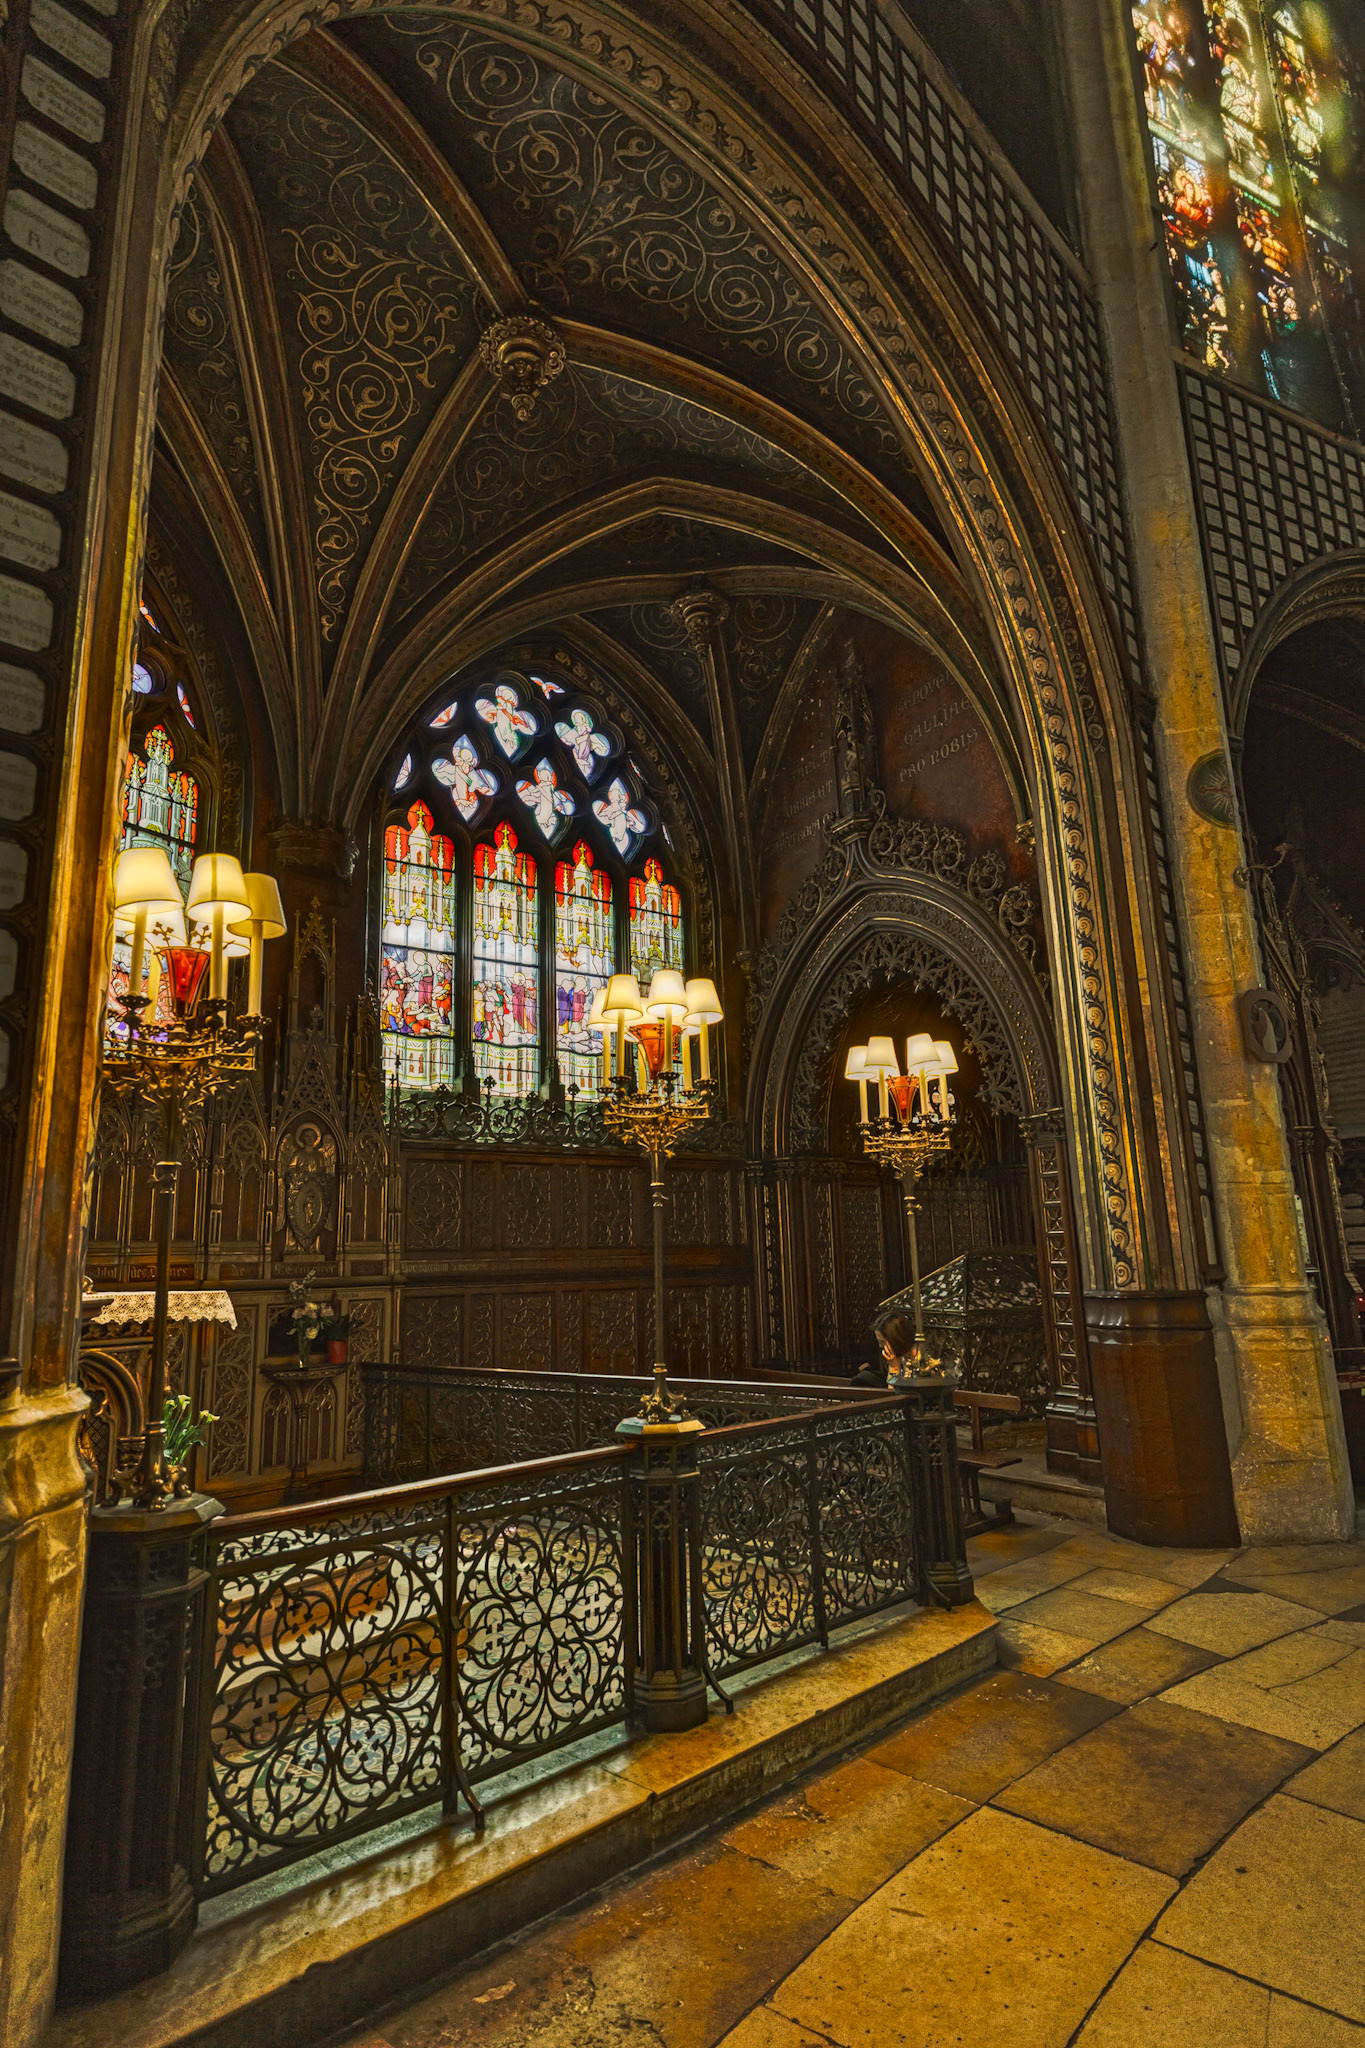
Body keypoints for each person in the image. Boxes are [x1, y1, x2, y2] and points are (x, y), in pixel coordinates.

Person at [850, 1308, 921, 1387]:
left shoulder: (918, 1357)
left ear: (896, 1339)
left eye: (883, 1342)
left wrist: (894, 1367)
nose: (881, 1346)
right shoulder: (896, 1356)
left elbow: (892, 1393)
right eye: (879, 1342)